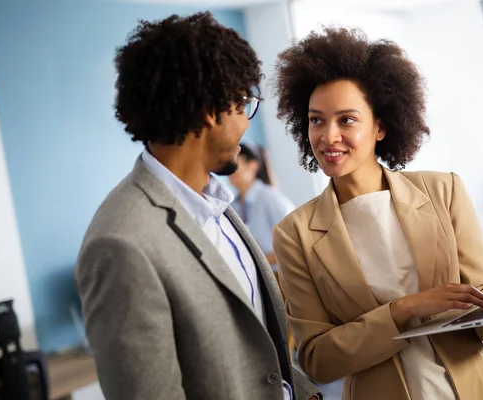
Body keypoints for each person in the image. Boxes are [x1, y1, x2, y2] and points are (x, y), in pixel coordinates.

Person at [271, 27, 483, 400]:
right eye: (316, 120)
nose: (328, 136)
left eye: (346, 120)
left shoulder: (443, 190)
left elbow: (482, 295)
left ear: (381, 126)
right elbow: (318, 359)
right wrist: (404, 309)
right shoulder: (295, 233)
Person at [75, 13, 320, 400]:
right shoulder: (121, 243)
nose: (245, 123)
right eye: (243, 105)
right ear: (212, 108)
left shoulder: (217, 203)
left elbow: (260, 350)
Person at [229, 143, 295, 270]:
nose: (230, 170)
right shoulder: (232, 206)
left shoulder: (270, 197)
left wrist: (254, 263)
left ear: (253, 165)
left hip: (281, 277)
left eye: (235, 163)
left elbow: (294, 243)